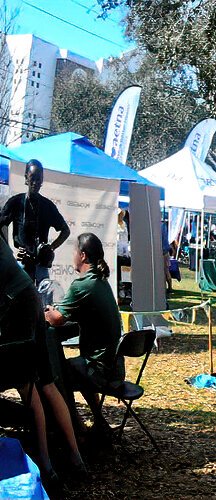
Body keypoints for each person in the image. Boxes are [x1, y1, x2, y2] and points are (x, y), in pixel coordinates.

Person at [0, 218, 83, 485]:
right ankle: (74, 458)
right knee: (45, 383)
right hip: (29, 299)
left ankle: (46, 465)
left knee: (28, 385)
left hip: (18, 304)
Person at [44, 233, 123, 443]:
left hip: (98, 370)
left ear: (82, 255)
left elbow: (56, 320)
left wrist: (45, 312)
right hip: (113, 367)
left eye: (74, 252)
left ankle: (73, 426)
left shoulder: (82, 286)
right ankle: (97, 421)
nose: (73, 256)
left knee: (56, 375)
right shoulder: (101, 282)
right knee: (73, 366)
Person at [0, 160, 70, 287]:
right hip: (20, 263)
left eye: (39, 179)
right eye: (32, 178)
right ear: (26, 178)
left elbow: (65, 231)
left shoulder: (47, 206)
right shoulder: (15, 203)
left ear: (42, 180)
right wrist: (11, 252)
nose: (35, 183)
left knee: (43, 301)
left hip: (40, 265)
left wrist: (51, 247)